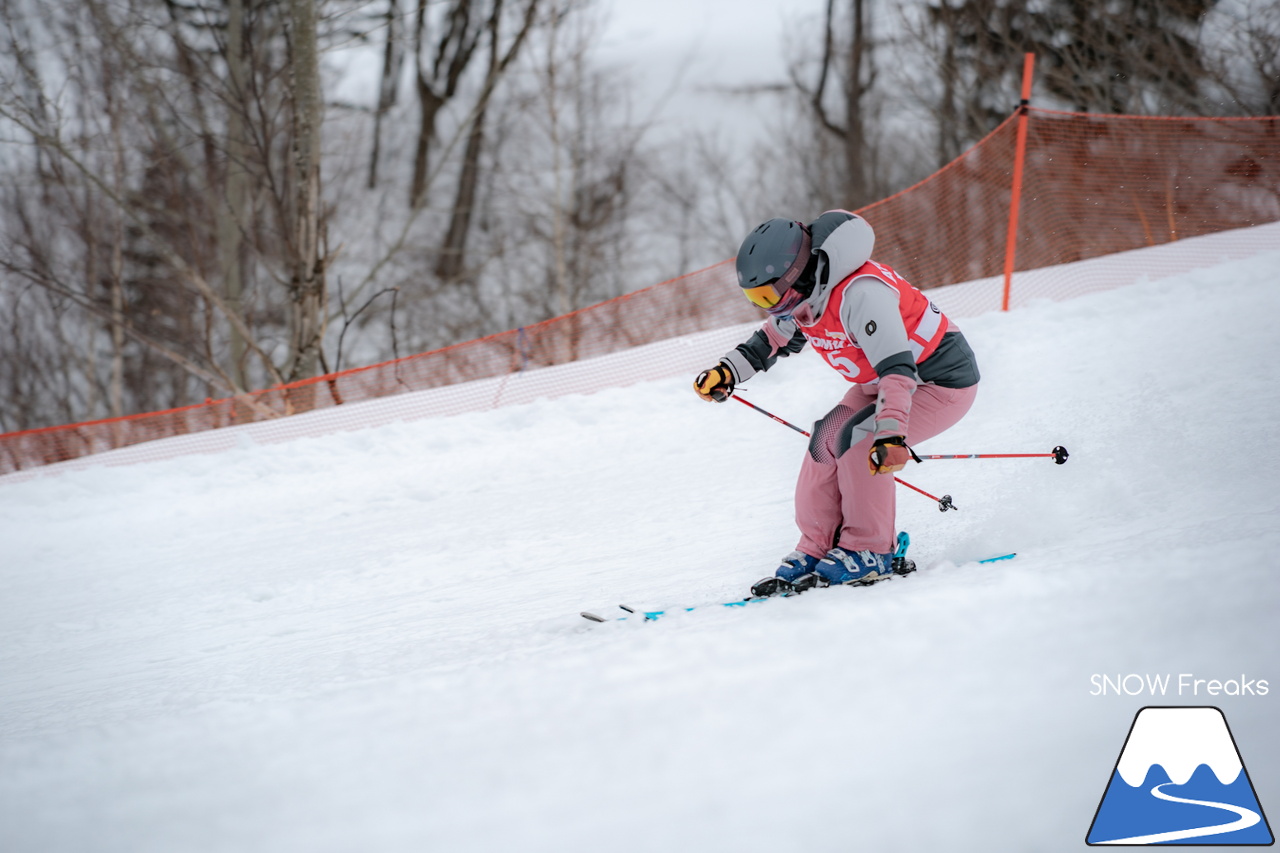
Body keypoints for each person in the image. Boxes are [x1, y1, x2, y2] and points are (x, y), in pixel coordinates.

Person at [694, 211, 980, 590]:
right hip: (877, 381)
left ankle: (871, 549)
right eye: (756, 299)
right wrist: (727, 371)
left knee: (861, 440)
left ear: (798, 274)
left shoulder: (861, 294)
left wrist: (891, 433)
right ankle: (818, 545)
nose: (770, 307)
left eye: (769, 296)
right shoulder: (802, 296)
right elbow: (772, 340)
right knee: (825, 438)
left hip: (937, 381)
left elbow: (898, 370)